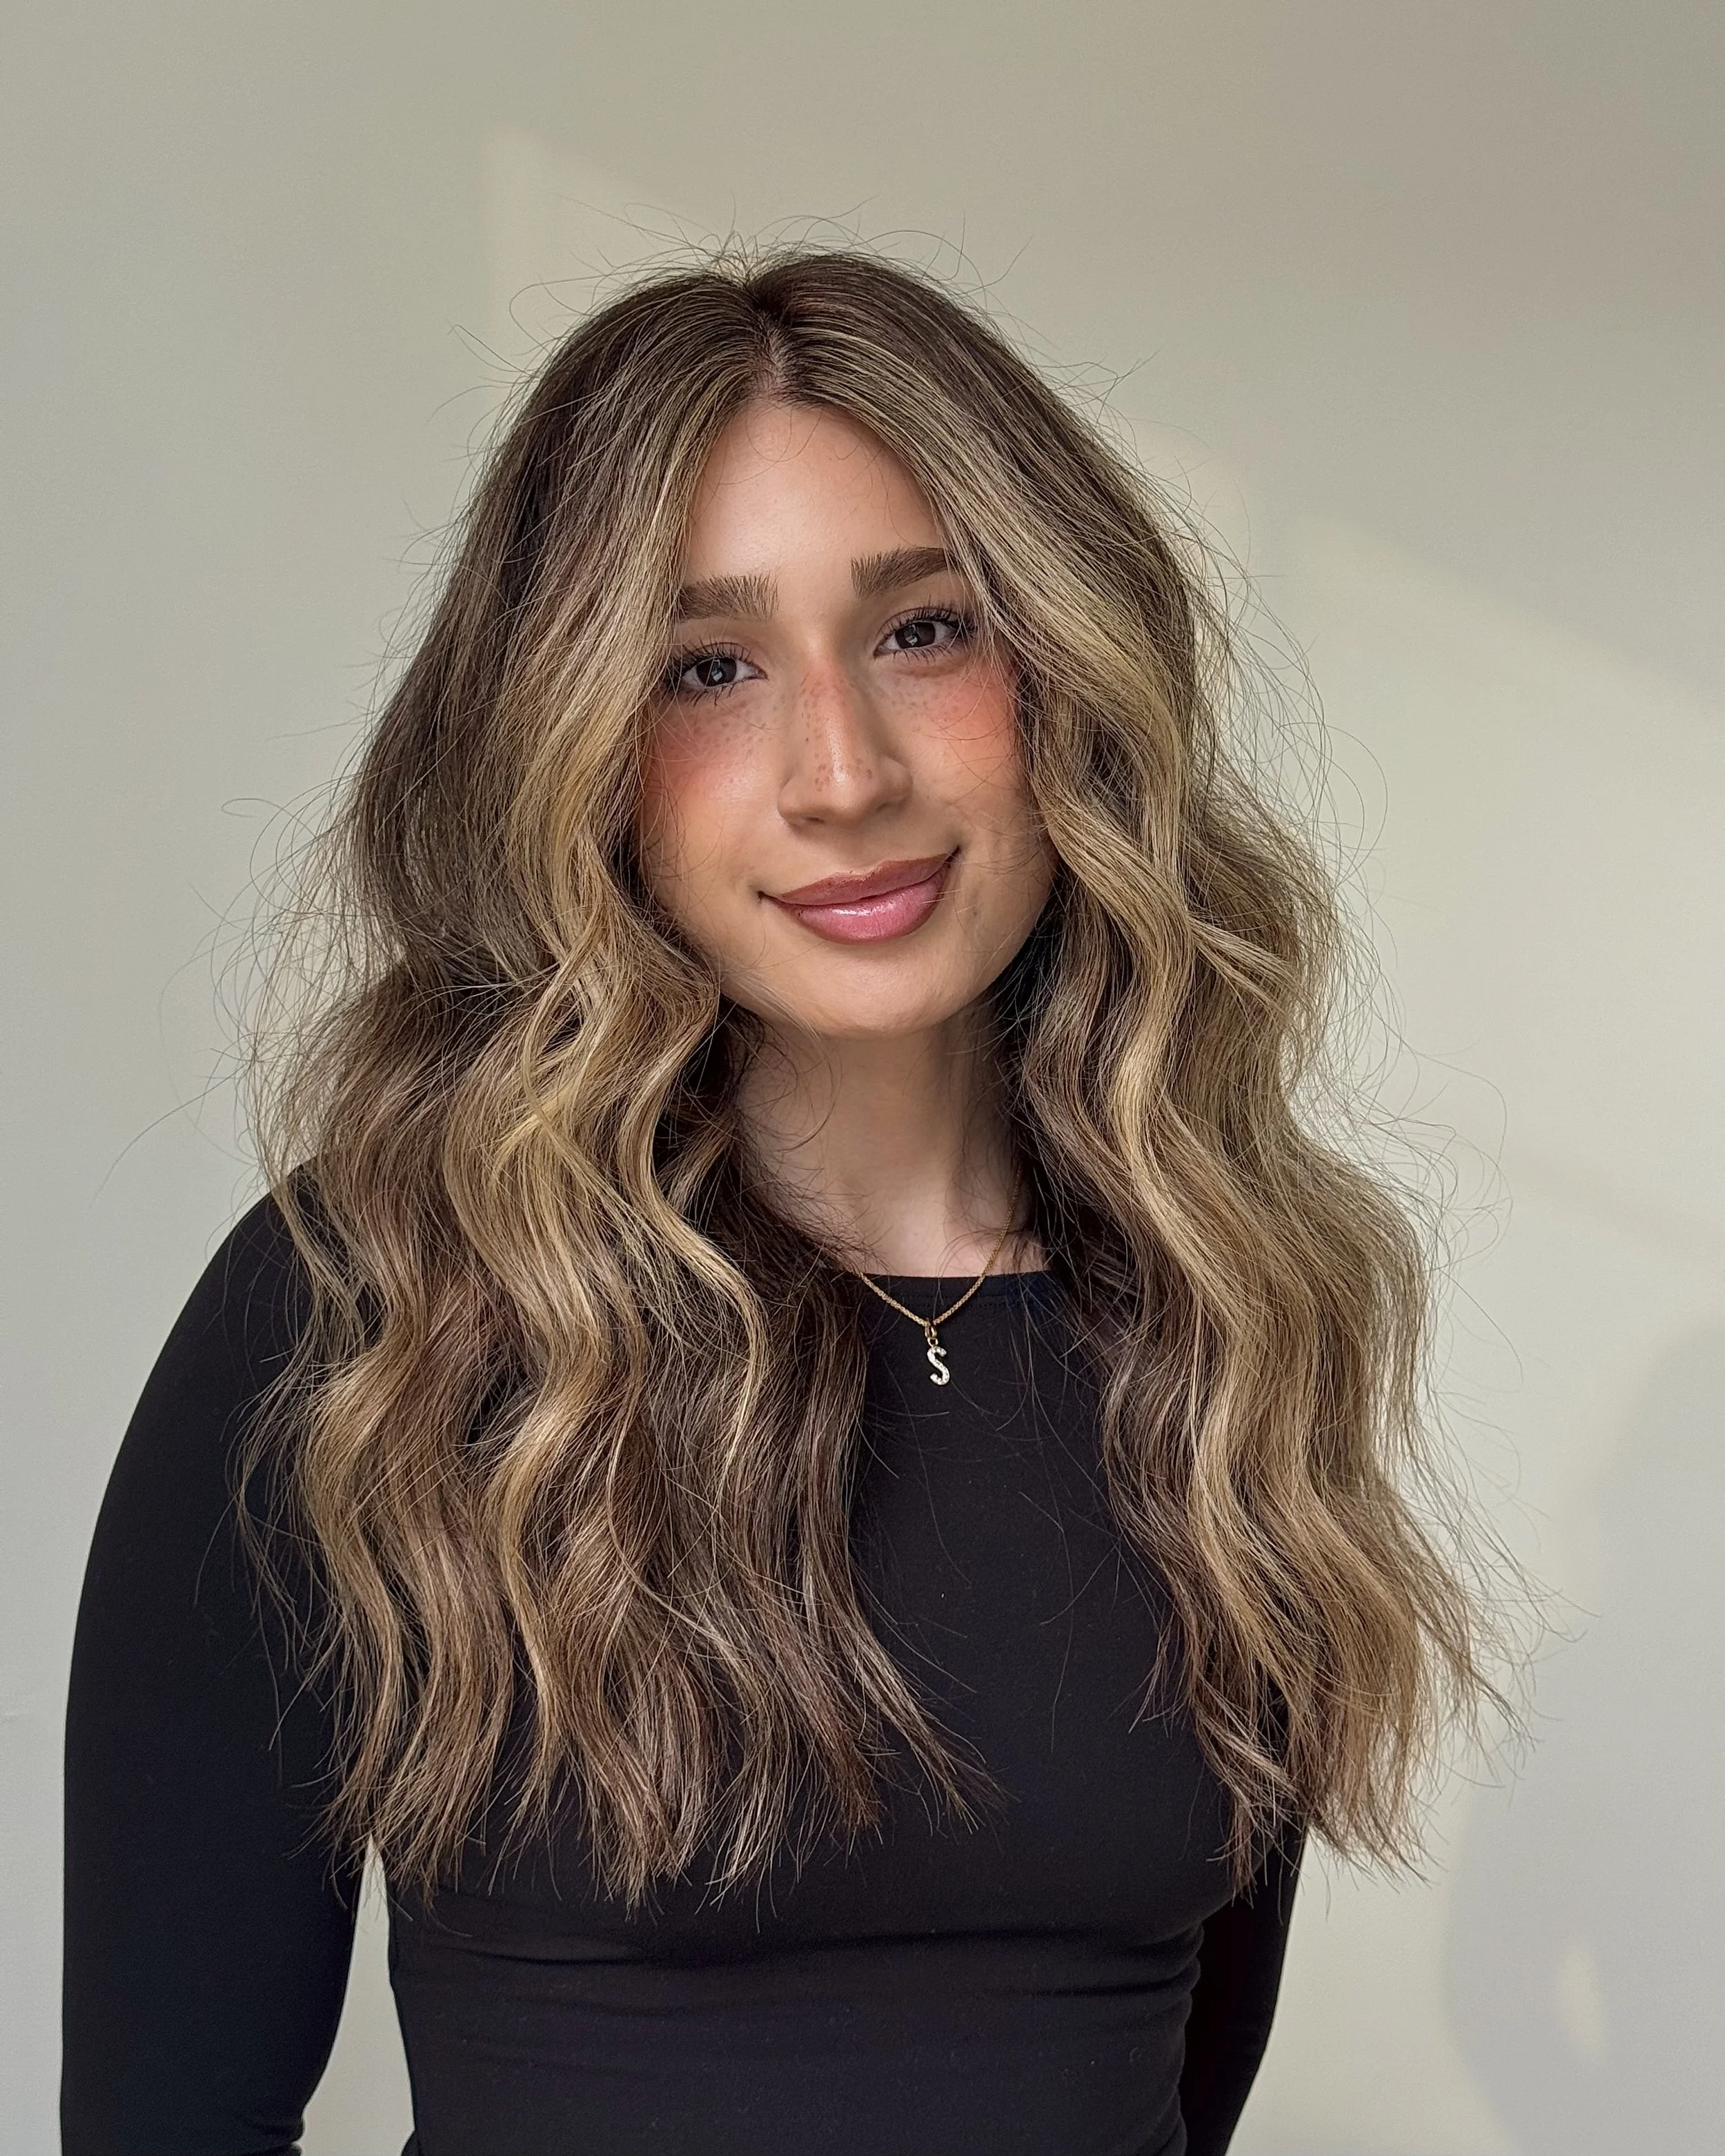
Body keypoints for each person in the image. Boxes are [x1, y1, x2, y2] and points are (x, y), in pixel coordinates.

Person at [61, 248, 1492, 2156]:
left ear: (1066, 672)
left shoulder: (1223, 1321)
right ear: (570, 751)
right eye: (704, 668)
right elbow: (166, 2113)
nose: (842, 771)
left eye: (923, 629)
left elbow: (1178, 2089)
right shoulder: (368, 1308)